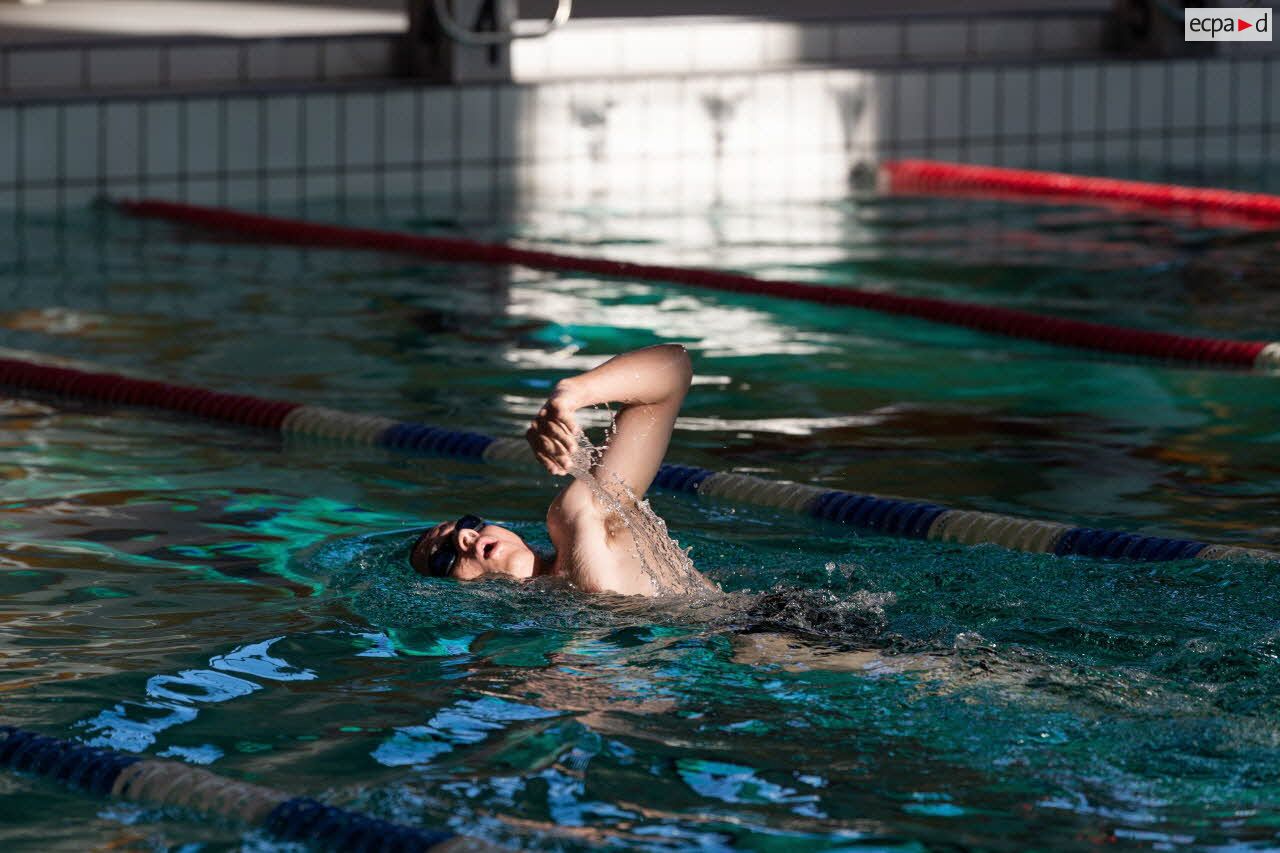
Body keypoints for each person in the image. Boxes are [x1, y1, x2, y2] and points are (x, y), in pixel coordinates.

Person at [408, 344, 714, 597]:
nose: (466, 536)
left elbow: (675, 368)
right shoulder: (551, 620)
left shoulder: (581, 521)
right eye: (443, 557)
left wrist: (573, 393)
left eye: (469, 523)